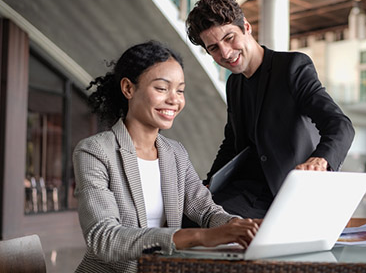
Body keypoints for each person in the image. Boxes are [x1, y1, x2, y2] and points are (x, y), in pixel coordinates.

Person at [73, 41, 260, 272]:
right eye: (162, 88)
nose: (174, 99)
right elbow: (104, 238)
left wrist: (238, 226)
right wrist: (199, 236)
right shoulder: (95, 151)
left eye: (180, 90)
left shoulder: (175, 153)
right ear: (128, 89)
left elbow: (206, 210)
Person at [185, 0, 355, 219]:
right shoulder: (234, 83)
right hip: (245, 190)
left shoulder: (292, 67)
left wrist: (320, 160)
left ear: (246, 27)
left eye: (229, 38)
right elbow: (231, 143)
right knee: (188, 215)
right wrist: (209, 184)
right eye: (214, 48)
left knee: (202, 223)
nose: (225, 53)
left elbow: (340, 125)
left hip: (284, 191)